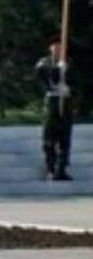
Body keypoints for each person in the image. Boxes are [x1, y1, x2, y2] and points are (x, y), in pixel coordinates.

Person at [37, 39, 74, 181]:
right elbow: (43, 76)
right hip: (52, 102)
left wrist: (68, 78)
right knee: (49, 138)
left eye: (61, 47)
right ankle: (51, 169)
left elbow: (76, 80)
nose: (58, 50)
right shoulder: (44, 62)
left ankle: (61, 169)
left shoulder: (69, 62)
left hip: (66, 101)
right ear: (50, 48)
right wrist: (57, 69)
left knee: (65, 138)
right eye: (56, 47)